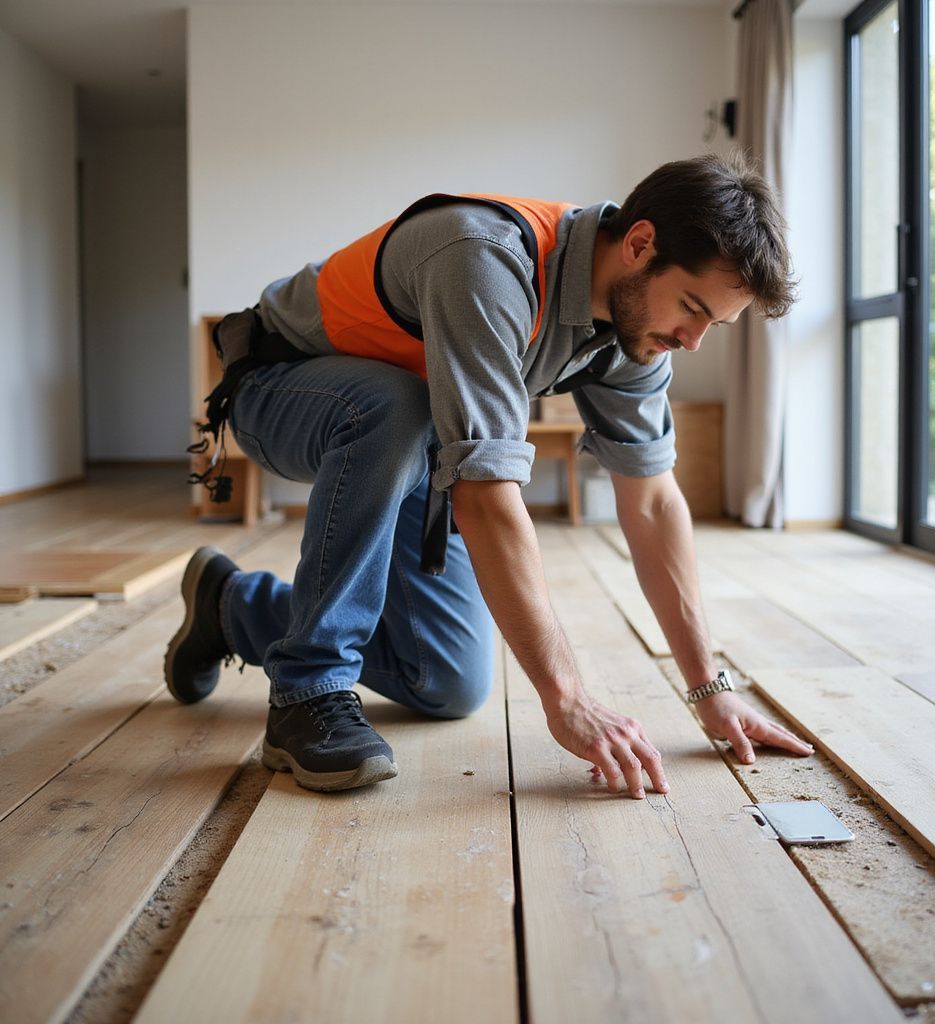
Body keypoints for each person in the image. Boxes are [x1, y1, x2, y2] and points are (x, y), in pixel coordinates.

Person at [165, 152, 814, 797]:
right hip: (282, 390)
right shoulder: (488, 259)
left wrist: (710, 690)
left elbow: (652, 506)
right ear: (640, 244)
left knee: (445, 679)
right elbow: (484, 498)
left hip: (411, 442)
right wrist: (568, 699)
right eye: (693, 309)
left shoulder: (639, 332)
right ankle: (308, 687)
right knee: (398, 408)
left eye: (715, 325)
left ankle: (230, 607)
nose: (694, 339)